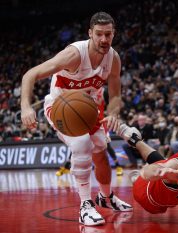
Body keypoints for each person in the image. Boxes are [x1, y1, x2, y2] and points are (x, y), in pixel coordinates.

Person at [20, 12, 132, 226]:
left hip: (91, 107)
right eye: (99, 34)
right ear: (90, 33)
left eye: (108, 34)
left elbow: (116, 94)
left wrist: (114, 112)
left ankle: (106, 197)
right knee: (82, 143)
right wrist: (25, 107)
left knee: (100, 148)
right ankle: (85, 205)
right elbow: (30, 74)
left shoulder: (113, 58)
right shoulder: (73, 55)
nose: (104, 39)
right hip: (61, 105)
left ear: (114, 34)